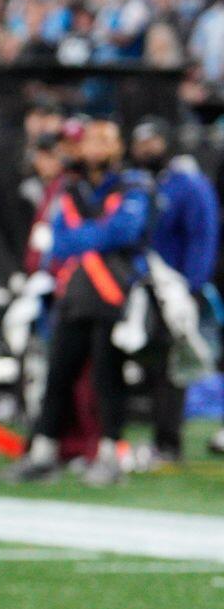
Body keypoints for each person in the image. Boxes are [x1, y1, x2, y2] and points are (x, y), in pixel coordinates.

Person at [1, 119, 153, 486]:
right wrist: (97, 236)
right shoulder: (71, 188)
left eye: (105, 140)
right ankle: (43, 452)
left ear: (118, 146)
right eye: (92, 140)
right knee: (58, 375)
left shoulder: (133, 185)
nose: (97, 148)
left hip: (113, 295)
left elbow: (126, 231)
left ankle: (110, 454)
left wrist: (85, 238)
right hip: (75, 296)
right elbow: (60, 241)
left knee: (108, 378)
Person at [127, 120, 217, 465]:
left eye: (153, 141)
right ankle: (157, 439)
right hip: (144, 287)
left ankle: (169, 442)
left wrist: (191, 286)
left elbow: (202, 236)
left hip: (176, 289)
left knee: (174, 365)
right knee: (151, 364)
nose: (146, 149)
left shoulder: (189, 184)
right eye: (141, 143)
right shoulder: (142, 182)